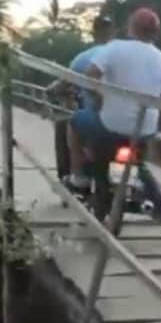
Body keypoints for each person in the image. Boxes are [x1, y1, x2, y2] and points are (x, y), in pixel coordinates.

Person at [76, 7, 161, 235]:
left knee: (78, 126)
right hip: (143, 130)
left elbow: (90, 76)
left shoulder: (115, 48)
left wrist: (97, 100)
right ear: (156, 33)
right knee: (138, 163)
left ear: (130, 28)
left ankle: (87, 187)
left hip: (110, 124)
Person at [48, 16, 116, 192]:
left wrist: (53, 91)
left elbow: (59, 86)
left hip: (97, 118)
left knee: (66, 123)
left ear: (94, 33)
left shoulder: (84, 58)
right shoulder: (124, 55)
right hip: (129, 119)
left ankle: (77, 176)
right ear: (113, 32)